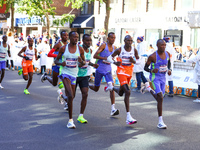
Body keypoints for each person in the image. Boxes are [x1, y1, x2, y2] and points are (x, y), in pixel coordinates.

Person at [54, 31, 86, 129]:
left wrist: (81, 62)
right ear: (70, 38)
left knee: (71, 97)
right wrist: (61, 64)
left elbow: (83, 63)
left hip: (74, 74)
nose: (76, 39)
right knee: (71, 95)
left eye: (77, 37)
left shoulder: (80, 49)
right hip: (65, 73)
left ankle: (62, 96)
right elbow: (56, 60)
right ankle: (70, 121)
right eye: (74, 37)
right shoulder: (64, 48)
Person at [106, 35, 139, 125]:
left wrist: (134, 61)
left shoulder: (134, 50)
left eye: (131, 41)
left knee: (121, 93)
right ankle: (128, 117)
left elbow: (139, 61)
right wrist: (115, 62)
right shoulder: (119, 50)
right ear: (124, 41)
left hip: (129, 73)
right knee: (127, 92)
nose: (130, 42)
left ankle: (112, 88)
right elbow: (109, 58)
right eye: (128, 40)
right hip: (121, 72)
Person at [143, 39, 171, 129]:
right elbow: (145, 68)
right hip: (155, 78)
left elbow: (169, 63)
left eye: (164, 45)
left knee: (160, 99)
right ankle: (160, 121)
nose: (163, 46)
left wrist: (169, 69)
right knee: (160, 97)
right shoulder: (152, 56)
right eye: (161, 45)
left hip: (163, 78)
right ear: (157, 46)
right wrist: (151, 70)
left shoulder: (167, 54)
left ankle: (149, 88)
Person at [89, 32, 120, 117]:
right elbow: (95, 56)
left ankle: (113, 108)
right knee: (96, 88)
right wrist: (105, 58)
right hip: (99, 69)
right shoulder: (103, 45)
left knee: (111, 88)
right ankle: (87, 85)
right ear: (108, 38)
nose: (113, 39)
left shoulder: (114, 48)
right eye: (111, 38)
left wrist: (115, 63)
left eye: (114, 38)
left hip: (108, 70)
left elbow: (111, 59)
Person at [40, 31, 68, 109]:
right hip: (56, 65)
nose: (66, 36)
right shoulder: (58, 44)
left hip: (64, 67)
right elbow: (49, 54)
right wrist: (58, 55)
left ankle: (66, 103)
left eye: (67, 35)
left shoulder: (68, 45)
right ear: (61, 36)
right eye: (64, 35)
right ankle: (45, 77)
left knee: (66, 85)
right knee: (54, 83)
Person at [75, 34, 99, 123]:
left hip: (84, 75)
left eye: (90, 41)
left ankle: (81, 116)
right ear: (82, 40)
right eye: (87, 40)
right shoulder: (78, 49)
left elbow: (87, 62)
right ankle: (63, 96)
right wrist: (80, 64)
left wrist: (93, 65)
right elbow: (75, 62)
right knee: (71, 96)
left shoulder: (90, 50)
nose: (89, 42)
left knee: (85, 94)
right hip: (75, 75)